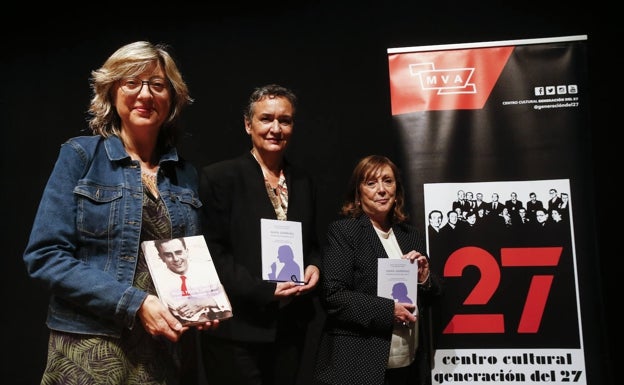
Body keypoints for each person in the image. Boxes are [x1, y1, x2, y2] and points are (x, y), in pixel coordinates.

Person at [22, 41, 218, 385]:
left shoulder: (184, 174)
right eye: (132, 82)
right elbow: (45, 255)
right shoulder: (81, 156)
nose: (145, 94)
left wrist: (202, 303)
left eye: (157, 85)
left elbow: (190, 260)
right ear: (112, 91)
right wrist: (135, 303)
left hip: (164, 350)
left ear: (171, 98)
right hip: (92, 347)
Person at [198, 84, 321, 385]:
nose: (276, 128)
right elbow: (213, 254)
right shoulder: (220, 177)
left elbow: (313, 244)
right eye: (266, 119)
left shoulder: (303, 180)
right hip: (238, 329)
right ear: (248, 124)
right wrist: (264, 291)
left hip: (290, 329)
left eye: (285, 120)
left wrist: (315, 266)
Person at [313, 155, 442, 385]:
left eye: (388, 181)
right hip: (360, 365)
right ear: (358, 193)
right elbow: (333, 296)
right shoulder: (345, 232)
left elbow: (433, 295)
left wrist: (424, 279)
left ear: (397, 189)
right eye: (371, 183)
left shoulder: (410, 235)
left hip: (408, 365)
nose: (381, 190)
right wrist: (389, 310)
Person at [154, 237, 233, 323]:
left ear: (186, 251)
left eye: (179, 252)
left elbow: (225, 303)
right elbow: (190, 313)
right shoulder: (161, 281)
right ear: (161, 257)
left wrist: (203, 302)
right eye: (168, 255)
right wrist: (213, 301)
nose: (176, 259)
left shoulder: (205, 268)